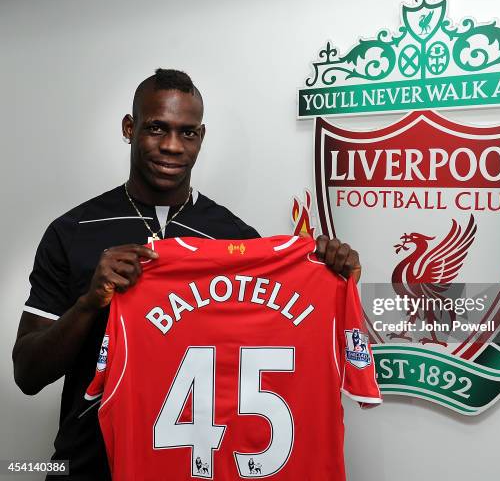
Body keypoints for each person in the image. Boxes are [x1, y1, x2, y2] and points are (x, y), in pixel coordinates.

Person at [12, 69, 362, 480]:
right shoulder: (72, 232)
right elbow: (28, 374)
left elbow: (280, 340)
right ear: (130, 128)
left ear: (201, 137)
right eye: (157, 128)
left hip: (199, 467)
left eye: (188, 133)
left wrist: (328, 274)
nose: (172, 146)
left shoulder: (237, 240)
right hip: (89, 465)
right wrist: (89, 303)